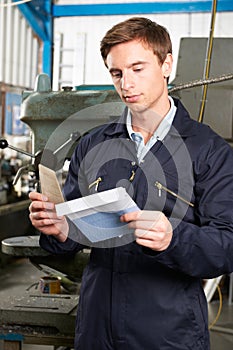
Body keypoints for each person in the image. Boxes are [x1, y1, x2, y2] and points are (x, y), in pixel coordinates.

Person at [29, 17, 233, 350]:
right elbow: (73, 234)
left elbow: (227, 245)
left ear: (166, 64)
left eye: (138, 68)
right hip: (97, 328)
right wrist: (58, 229)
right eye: (117, 73)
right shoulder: (94, 144)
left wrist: (173, 238)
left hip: (169, 334)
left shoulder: (208, 151)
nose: (127, 84)